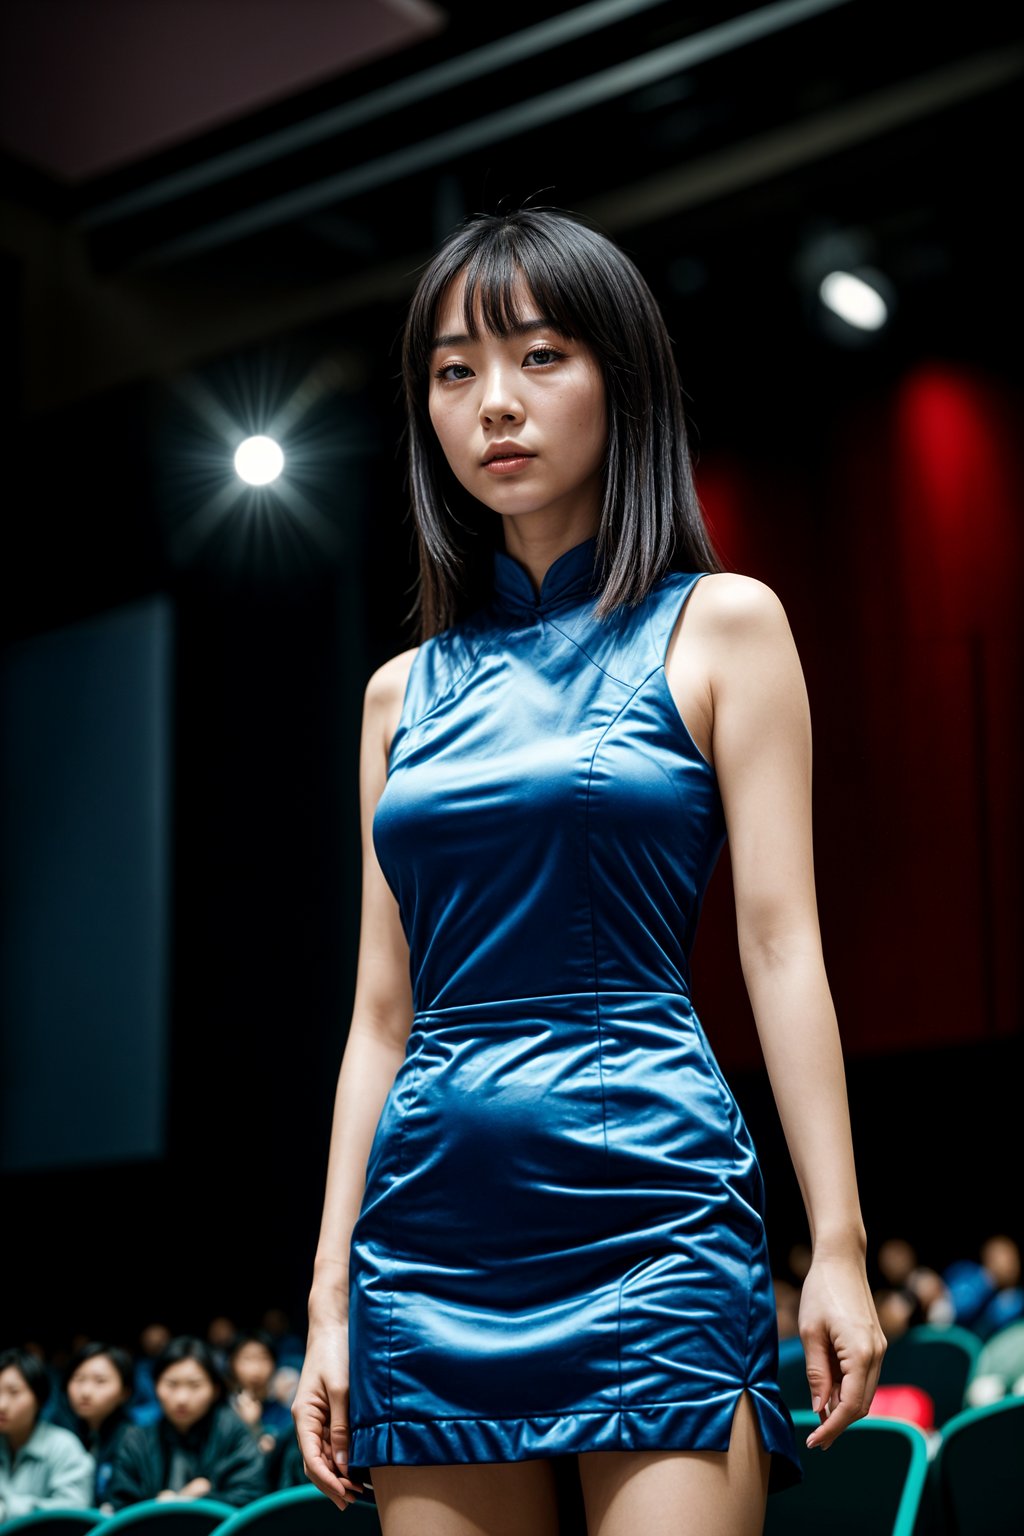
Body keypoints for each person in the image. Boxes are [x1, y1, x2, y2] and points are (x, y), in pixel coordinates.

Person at [291, 204, 886, 1536]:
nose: (493, 402)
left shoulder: (724, 626)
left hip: (653, 1207)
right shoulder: (397, 697)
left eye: (540, 356)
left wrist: (837, 1245)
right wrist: (331, 1298)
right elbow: (380, 1017)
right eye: (454, 371)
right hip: (429, 1233)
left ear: (623, 378)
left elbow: (783, 948)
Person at [106, 1335, 266, 1510]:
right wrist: (158, 1507)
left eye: (194, 1385)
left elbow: (251, 1498)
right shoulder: (136, 1440)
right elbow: (120, 1504)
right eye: (171, 1384)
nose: (182, 1398)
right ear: (155, 1386)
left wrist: (196, 1502)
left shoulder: (233, 1432)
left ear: (215, 1390)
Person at [0, 1346, 95, 1521]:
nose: (2, 1405)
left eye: (14, 1393)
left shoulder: (64, 1446)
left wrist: (7, 1510)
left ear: (39, 1399)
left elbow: (75, 1511)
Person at [63, 1341, 137, 1512]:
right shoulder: (63, 1436)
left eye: (100, 1381)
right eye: (78, 1379)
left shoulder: (136, 1440)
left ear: (125, 1392)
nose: (86, 1391)